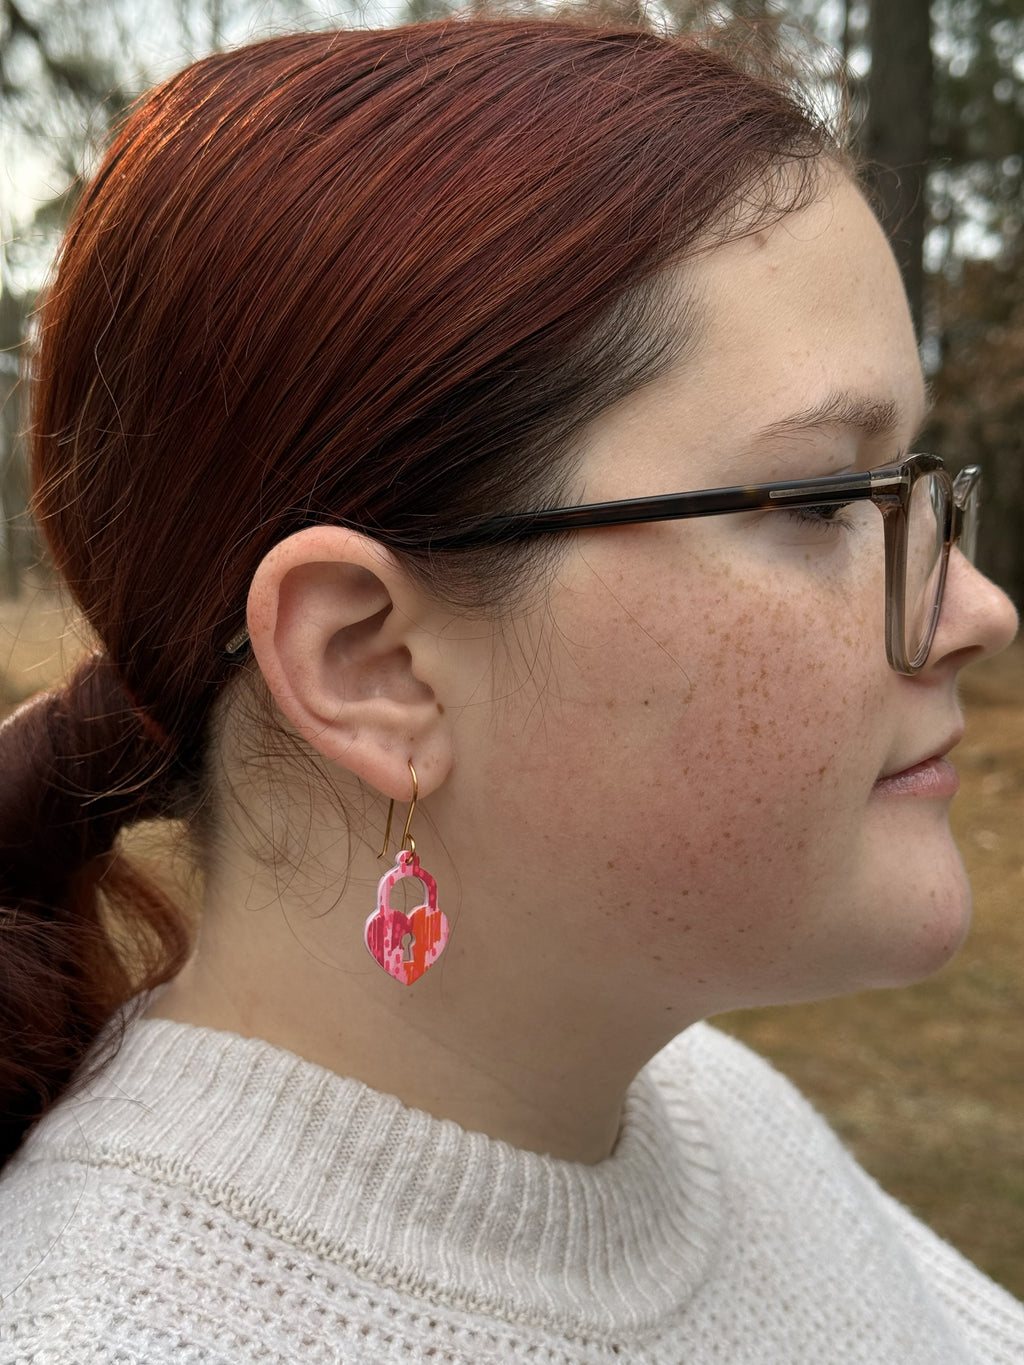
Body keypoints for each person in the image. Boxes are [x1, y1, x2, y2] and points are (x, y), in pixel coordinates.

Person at [0, 15, 1021, 1364]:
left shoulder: (702, 1112)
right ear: (374, 665)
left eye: (913, 486)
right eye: (829, 497)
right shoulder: (106, 1331)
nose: (979, 610)